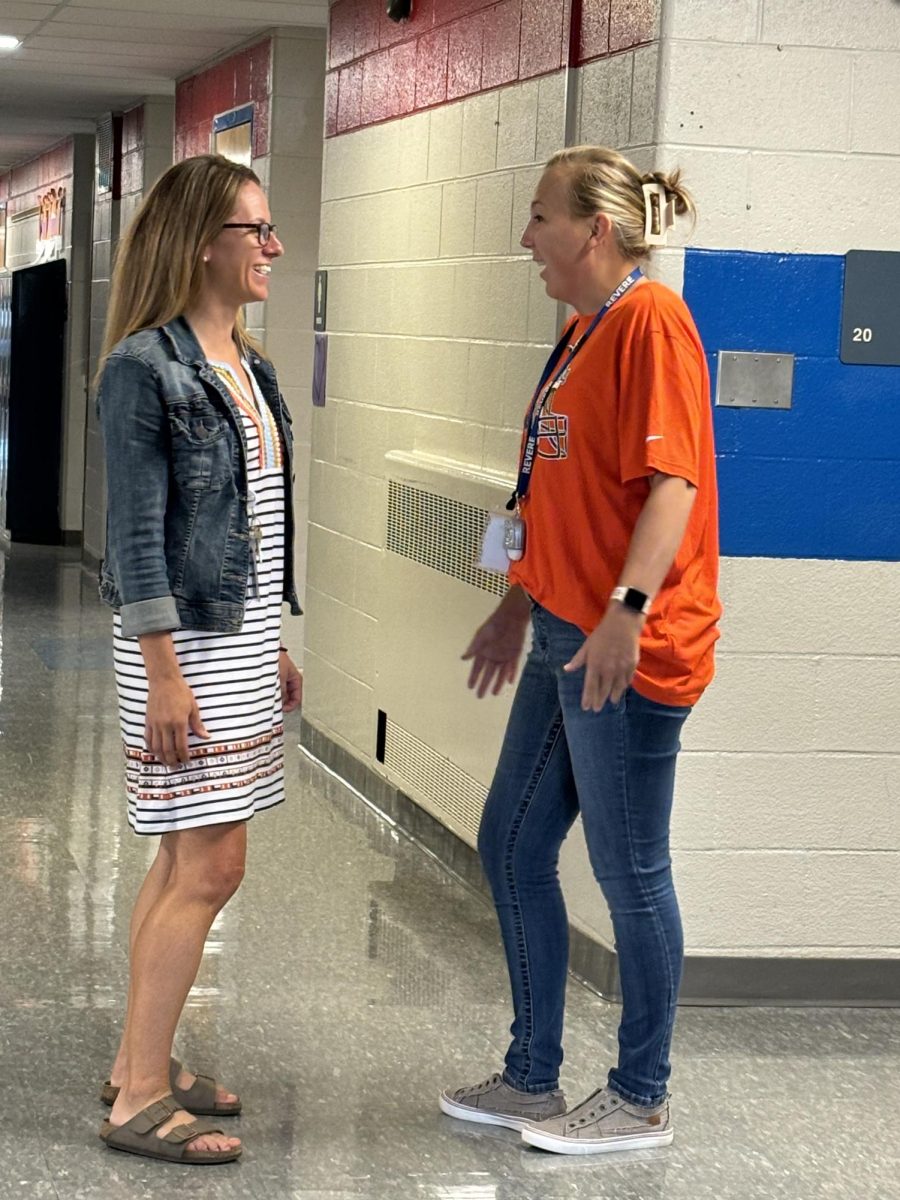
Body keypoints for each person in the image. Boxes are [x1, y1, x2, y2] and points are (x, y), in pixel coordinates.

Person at [439, 146, 720, 1155]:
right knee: (511, 845)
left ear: (596, 229)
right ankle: (532, 1077)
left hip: (626, 649)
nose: (527, 238)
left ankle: (641, 1093)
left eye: (539, 217)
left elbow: (673, 486)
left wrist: (625, 611)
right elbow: (553, 489)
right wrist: (518, 604)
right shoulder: (580, 334)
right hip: (565, 628)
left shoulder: (653, 323)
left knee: (630, 868)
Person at [95, 154, 302, 1165]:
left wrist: (278, 643)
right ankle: (137, 1093)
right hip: (182, 649)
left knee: (181, 855)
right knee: (213, 862)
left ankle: (147, 1053)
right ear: (199, 244)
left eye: (268, 229)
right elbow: (136, 538)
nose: (272, 247)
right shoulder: (146, 367)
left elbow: (253, 524)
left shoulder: (249, 366)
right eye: (254, 230)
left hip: (239, 638)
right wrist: (166, 673)